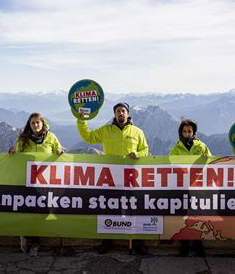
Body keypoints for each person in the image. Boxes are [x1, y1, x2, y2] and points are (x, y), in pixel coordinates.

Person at [77, 102, 149, 255]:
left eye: (123, 111)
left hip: (131, 177)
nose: (120, 113)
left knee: (133, 208)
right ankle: (107, 240)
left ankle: (137, 242)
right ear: (114, 114)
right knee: (110, 208)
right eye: (118, 111)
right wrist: (81, 120)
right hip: (110, 177)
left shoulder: (137, 132)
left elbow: (145, 149)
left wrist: (138, 154)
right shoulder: (106, 130)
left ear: (128, 114)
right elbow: (88, 136)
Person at [9, 112, 63, 256]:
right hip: (28, 181)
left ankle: (28, 236)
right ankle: (33, 241)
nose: (35, 125)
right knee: (29, 209)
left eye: (38, 122)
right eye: (32, 123)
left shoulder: (51, 137)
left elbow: (61, 151)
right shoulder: (24, 139)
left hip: (46, 182)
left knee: (42, 211)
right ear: (29, 125)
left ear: (43, 123)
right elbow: (16, 156)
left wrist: (59, 151)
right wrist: (13, 152)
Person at [169, 118, 211, 257]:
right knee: (183, 217)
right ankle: (185, 245)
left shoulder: (201, 146)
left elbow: (211, 161)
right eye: (184, 131)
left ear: (194, 132)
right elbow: (171, 165)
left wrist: (206, 159)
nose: (187, 133)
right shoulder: (176, 149)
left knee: (196, 216)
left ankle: (198, 245)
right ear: (181, 133)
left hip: (197, 187)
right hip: (182, 187)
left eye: (189, 131)